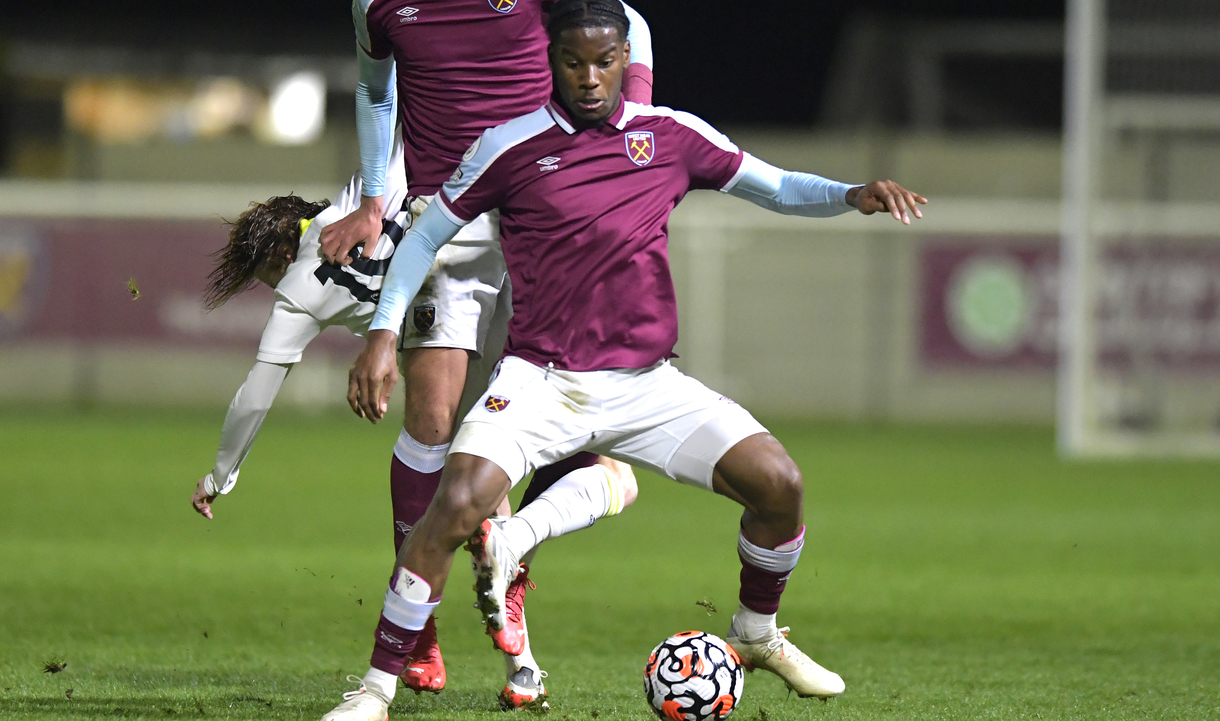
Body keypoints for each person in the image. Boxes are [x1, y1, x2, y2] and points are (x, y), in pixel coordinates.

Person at [331, 0, 928, 718]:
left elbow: (773, 186)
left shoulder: (669, 134)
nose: (589, 78)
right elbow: (424, 239)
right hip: (540, 381)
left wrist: (851, 195)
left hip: (647, 384)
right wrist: (384, 332)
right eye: (573, 62)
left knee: (780, 484)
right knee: (454, 505)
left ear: (626, 58)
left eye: (604, 61)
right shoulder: (507, 146)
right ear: (547, 59)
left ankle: (758, 634)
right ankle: (375, 688)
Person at [188, 135, 636, 707]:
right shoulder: (354, 199)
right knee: (552, 469)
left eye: (263, 276)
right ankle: (520, 659)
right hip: (513, 266)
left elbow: (254, 396)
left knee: (438, 451)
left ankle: (422, 632)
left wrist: (220, 475)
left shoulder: (296, 293)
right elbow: (402, 128)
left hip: (451, 291)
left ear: (276, 259)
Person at [318, 0, 655, 706]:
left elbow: (627, 24)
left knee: (559, 438)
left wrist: (626, 145)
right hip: (446, 222)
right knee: (432, 420)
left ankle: (512, 564)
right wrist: (375, 198)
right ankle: (418, 621)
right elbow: (374, 87)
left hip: (548, 219)